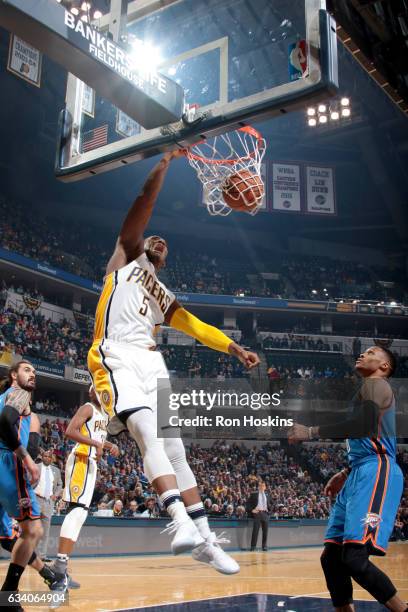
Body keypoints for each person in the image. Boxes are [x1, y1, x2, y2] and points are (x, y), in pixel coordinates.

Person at [88, 150, 260, 574]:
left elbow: (197, 326)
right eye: (154, 237)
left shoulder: (163, 297)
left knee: (176, 449)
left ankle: (204, 539)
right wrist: (164, 165)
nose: (159, 239)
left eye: (165, 242)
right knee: (145, 428)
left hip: (153, 364)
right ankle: (179, 521)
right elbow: (144, 200)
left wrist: (234, 348)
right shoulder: (126, 257)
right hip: (116, 354)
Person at [288, 346, 406, 612]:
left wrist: (311, 431)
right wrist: (345, 472)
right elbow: (366, 435)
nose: (362, 354)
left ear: (384, 366)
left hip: (376, 470)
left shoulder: (377, 384)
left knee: (354, 559)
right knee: (331, 559)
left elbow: (363, 426)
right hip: (359, 472)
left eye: (371, 352)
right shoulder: (366, 390)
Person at [49, 385, 119, 593]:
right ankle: (59, 569)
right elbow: (70, 431)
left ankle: (61, 568)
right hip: (80, 459)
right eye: (97, 389)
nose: (101, 392)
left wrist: (107, 446)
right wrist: (96, 445)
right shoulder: (87, 408)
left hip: (90, 463)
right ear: (91, 392)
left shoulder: (104, 415)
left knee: (80, 515)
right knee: (76, 510)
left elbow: (97, 438)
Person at [0, 361, 46, 610]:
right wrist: (26, 458)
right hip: (7, 462)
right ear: (13, 375)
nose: (33, 375)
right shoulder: (19, 394)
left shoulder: (5, 397)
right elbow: (6, 422)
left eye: (35, 372)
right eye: (27, 370)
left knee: (11, 535)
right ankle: (8, 595)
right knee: (33, 531)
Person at [35, 448, 63, 562]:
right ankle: (29, 555)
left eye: (49, 457)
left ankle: (42, 555)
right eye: (45, 456)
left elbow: (60, 484)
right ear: (42, 457)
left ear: (52, 459)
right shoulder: (36, 467)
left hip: (48, 502)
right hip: (36, 499)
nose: (47, 458)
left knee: (45, 532)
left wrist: (55, 495)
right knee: (33, 529)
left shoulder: (55, 470)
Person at [247, 481, 271, 551]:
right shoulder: (254, 494)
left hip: (265, 513)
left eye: (263, 486)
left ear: (265, 487)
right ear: (258, 487)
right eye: (260, 486)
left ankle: (264, 546)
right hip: (257, 513)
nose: (262, 487)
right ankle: (253, 547)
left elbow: (270, 504)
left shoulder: (267, 495)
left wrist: (269, 510)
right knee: (255, 531)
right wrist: (252, 510)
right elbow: (248, 504)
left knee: (265, 531)